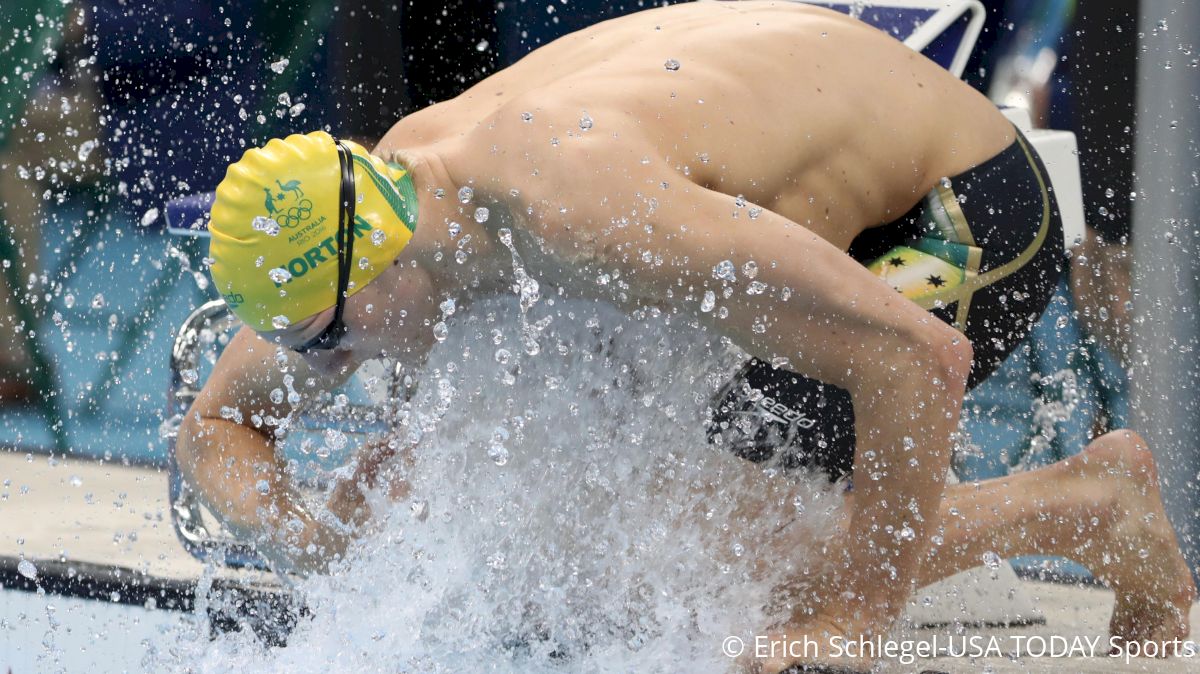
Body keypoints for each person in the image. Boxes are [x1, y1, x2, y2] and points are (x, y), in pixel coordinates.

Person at [177, 3, 1195, 672]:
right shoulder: (392, 197)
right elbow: (216, 424)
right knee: (528, 514)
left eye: (326, 339)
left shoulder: (571, 206)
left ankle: (1087, 506)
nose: (327, 367)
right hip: (790, 181)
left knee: (711, 568)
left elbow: (914, 358)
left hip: (958, 210)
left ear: (382, 263)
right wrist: (319, 542)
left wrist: (850, 616)